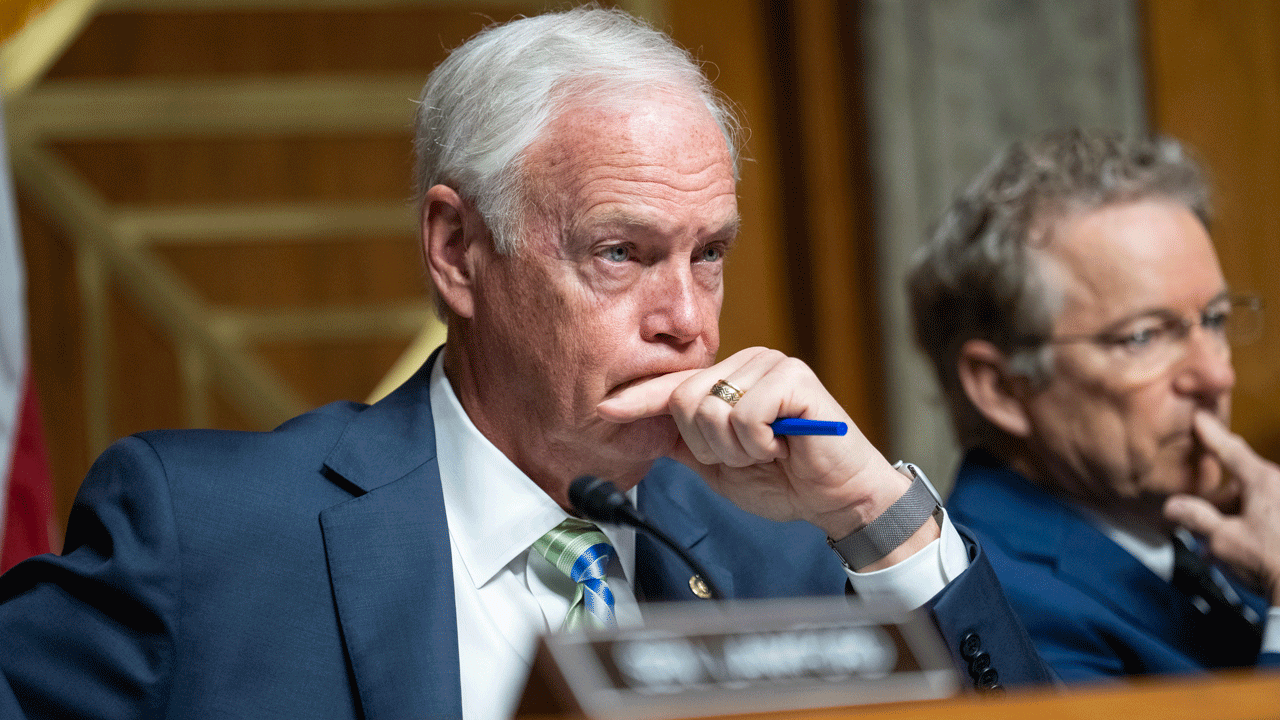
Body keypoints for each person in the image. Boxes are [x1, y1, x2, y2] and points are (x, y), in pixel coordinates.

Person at [0, 8, 1050, 719]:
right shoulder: (206, 535)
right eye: (619, 253)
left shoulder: (788, 555)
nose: (687, 320)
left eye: (708, 255)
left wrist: (875, 515)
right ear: (458, 250)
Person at [908, 128, 1280, 682]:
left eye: (1215, 320)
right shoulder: (993, 610)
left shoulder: (1234, 539)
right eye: (1144, 337)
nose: (1217, 375)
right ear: (1002, 387)